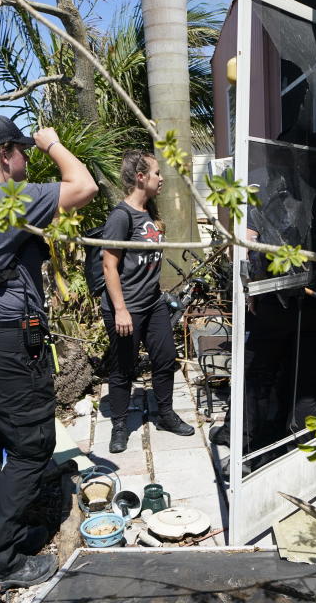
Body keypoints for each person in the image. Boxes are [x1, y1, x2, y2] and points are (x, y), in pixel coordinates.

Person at [0, 114, 97, 589]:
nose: (27, 158)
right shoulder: (12, 199)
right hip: (6, 342)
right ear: (6, 156)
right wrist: (50, 142)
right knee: (33, 447)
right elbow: (84, 186)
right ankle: (2, 564)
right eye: (21, 150)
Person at [102, 150, 195, 453]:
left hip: (153, 303)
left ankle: (165, 414)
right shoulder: (121, 217)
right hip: (126, 307)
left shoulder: (149, 213)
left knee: (166, 358)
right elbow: (109, 266)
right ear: (141, 177)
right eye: (156, 173)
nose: (161, 178)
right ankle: (119, 425)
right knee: (123, 369)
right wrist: (120, 310)